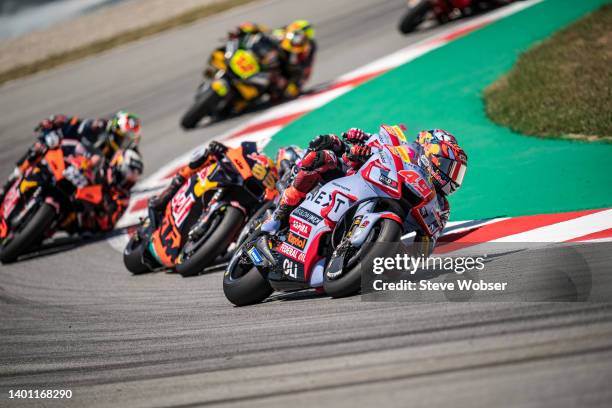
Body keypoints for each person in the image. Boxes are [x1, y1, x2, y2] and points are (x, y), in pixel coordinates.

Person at [260, 127, 468, 253]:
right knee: (321, 155)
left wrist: (402, 256)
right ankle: (279, 215)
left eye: (457, 172)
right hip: (355, 177)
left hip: (385, 219)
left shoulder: (441, 207)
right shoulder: (405, 150)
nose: (451, 176)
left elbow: (425, 245)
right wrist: (358, 141)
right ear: (431, 154)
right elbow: (372, 144)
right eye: (449, 166)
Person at [0, 111, 143, 232]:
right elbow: (74, 124)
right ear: (114, 130)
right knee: (39, 147)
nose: (122, 143)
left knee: (78, 214)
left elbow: (115, 181)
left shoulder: (121, 157)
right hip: (67, 156)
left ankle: (46, 227)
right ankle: (11, 181)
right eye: (122, 138)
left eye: (126, 141)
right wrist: (54, 122)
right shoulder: (98, 127)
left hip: (83, 178)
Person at [271, 19, 316, 98]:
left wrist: (299, 82)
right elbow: (269, 37)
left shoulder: (309, 46)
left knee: (290, 90)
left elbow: (307, 66)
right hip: (272, 56)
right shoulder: (282, 31)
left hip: (288, 65)